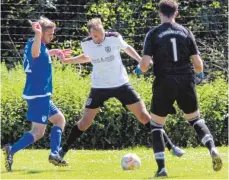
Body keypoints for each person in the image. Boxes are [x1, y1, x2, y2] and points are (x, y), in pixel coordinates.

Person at [56, 18, 184, 160]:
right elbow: (88, 57)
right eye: (95, 36)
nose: (98, 38)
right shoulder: (86, 43)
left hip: (121, 84)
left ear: (104, 30)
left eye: (100, 35)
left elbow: (127, 48)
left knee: (144, 116)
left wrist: (140, 60)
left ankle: (171, 147)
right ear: (90, 34)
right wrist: (68, 61)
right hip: (99, 87)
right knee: (85, 122)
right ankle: (61, 152)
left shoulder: (114, 38)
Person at [137, 0, 223, 178]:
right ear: (176, 13)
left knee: (156, 126)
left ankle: (161, 169)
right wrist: (199, 75)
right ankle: (212, 149)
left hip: (164, 82)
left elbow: (144, 65)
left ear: (160, 13)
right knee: (195, 120)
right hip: (186, 80)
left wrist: (141, 68)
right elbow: (198, 64)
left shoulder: (153, 34)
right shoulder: (186, 32)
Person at [3, 16, 72, 172]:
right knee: (38, 132)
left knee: (59, 119)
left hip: (39, 94)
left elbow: (39, 53)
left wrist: (54, 52)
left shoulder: (35, 44)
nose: (52, 36)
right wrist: (38, 33)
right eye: (50, 33)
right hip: (39, 95)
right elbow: (35, 54)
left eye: (53, 33)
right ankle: (11, 150)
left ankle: (54, 153)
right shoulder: (36, 44)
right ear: (41, 33)